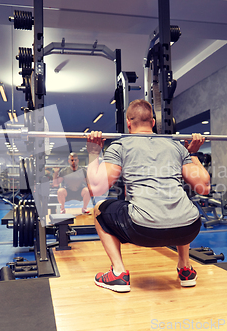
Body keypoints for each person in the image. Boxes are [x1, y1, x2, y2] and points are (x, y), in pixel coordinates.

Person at [86, 99, 210, 293]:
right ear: (153, 122)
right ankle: (185, 268)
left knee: (99, 209)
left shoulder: (120, 146)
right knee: (179, 203)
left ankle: (118, 273)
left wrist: (94, 153)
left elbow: (96, 188)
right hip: (189, 228)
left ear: (128, 123)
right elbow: (203, 187)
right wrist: (192, 153)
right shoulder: (176, 147)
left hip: (144, 230)